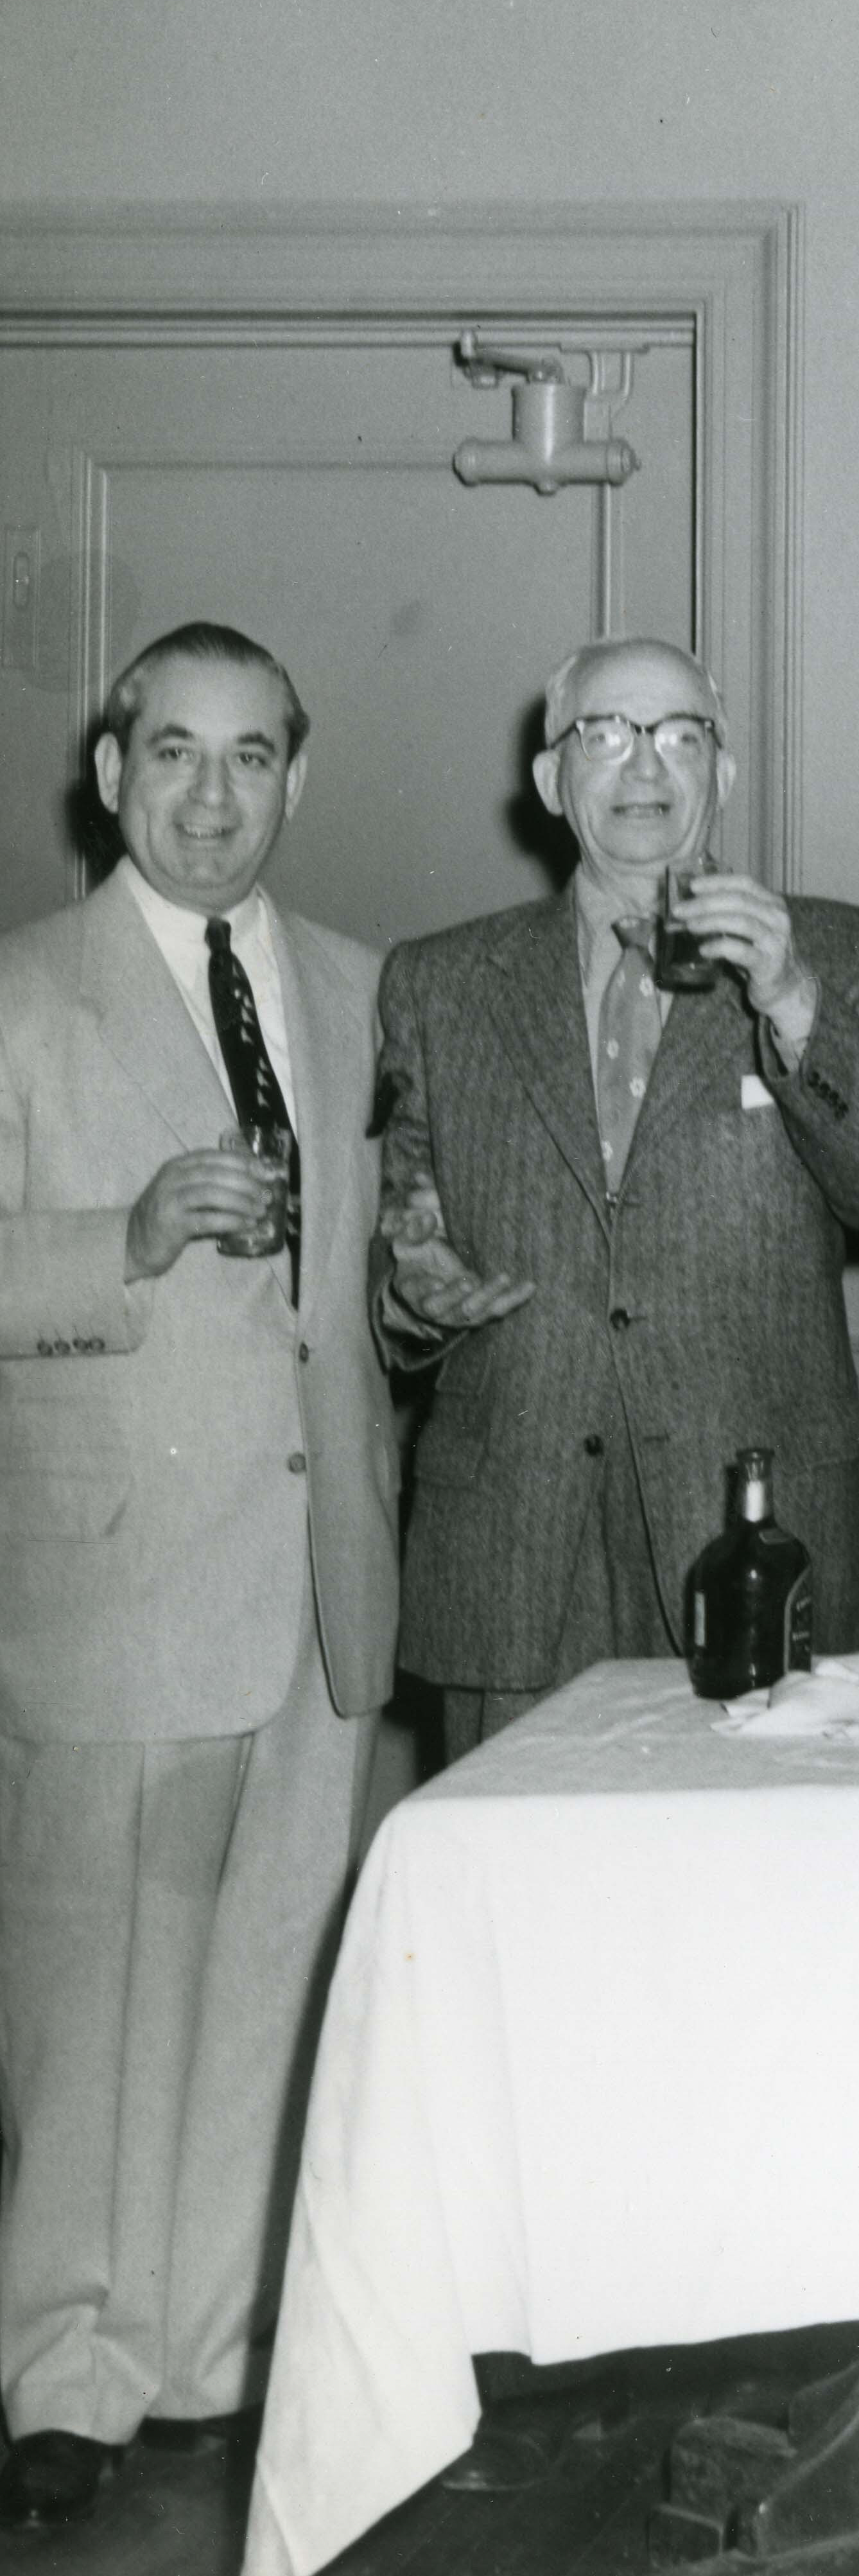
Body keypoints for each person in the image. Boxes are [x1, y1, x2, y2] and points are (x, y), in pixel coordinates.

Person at [0, 626, 395, 2527]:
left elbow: (357, 1290)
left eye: (252, 757)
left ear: (297, 778)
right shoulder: (21, 994)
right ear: (109, 766)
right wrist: (123, 1236)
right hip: (118, 1571)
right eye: (175, 753)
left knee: (263, 1979)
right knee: (98, 1996)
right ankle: (66, 2373)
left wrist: (424, 1296)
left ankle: (215, 2360)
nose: (212, 793)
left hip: (317, 1573)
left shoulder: (356, 986)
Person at [373, 636, 859, 1756]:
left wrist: (792, 997)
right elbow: (403, 1221)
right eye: (606, 734)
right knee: (524, 1904)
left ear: (721, 777)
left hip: (757, 1528)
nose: (644, 766)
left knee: (757, 1899)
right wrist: (413, 1287)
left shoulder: (847, 951)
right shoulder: (437, 982)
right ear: (548, 781)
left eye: (681, 736)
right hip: (516, 1543)